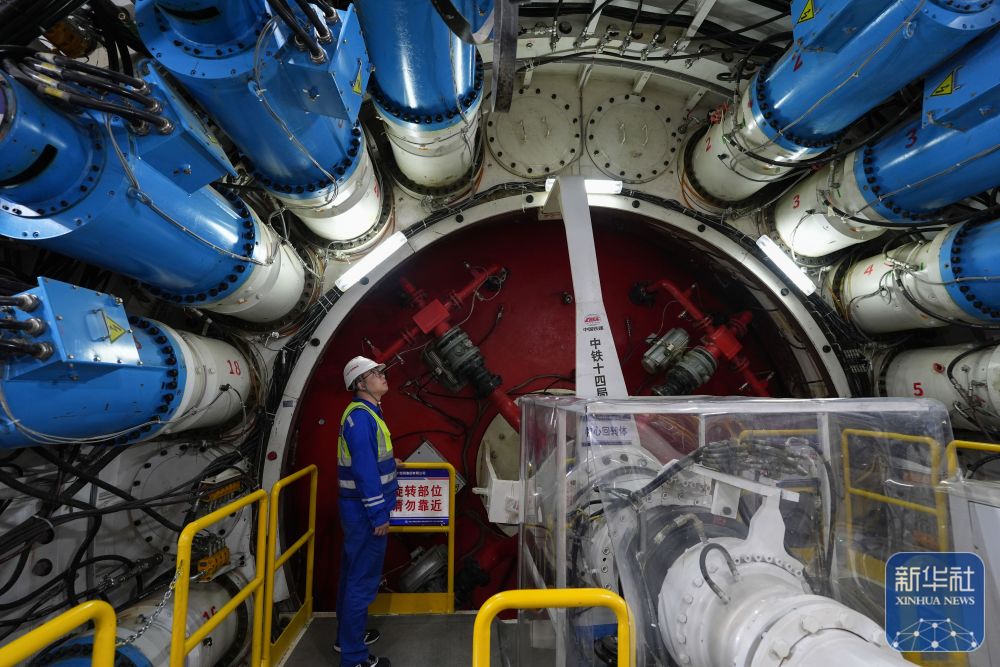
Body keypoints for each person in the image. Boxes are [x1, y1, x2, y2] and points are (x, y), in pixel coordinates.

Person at [335, 356, 398, 667]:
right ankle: (354, 658)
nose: (382, 376)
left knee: (352, 576)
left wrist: (392, 464)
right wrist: (378, 515)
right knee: (361, 583)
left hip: (356, 511)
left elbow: (370, 459)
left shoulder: (364, 413)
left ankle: (346, 638)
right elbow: (363, 471)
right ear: (360, 383)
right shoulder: (362, 419)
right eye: (375, 373)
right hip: (365, 514)